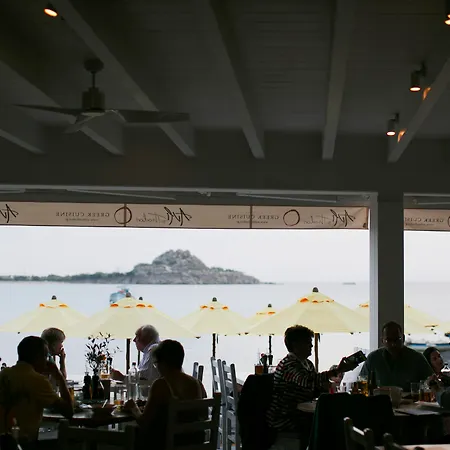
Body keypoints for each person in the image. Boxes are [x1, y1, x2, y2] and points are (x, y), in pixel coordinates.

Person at [266, 325, 358, 441]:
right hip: (285, 416)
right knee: (329, 425)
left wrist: (326, 386)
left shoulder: (307, 364)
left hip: (301, 413)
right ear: (296, 345)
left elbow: (314, 385)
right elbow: (307, 380)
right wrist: (337, 370)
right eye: (307, 342)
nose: (311, 345)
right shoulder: (288, 364)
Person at [124, 340, 206, 450]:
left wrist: (133, 407)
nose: (156, 367)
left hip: (170, 444)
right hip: (195, 442)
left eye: (156, 363)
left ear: (163, 363)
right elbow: (203, 415)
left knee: (133, 435)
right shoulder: (198, 384)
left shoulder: (161, 384)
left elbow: (144, 422)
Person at [0, 336, 73, 446]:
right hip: (22, 443)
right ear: (39, 357)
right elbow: (68, 411)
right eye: (46, 356)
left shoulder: (4, 374)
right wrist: (59, 377)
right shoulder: (37, 380)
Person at [359, 321, 433, 392]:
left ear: (403, 338)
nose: (393, 344)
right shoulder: (373, 358)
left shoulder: (417, 358)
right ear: (382, 341)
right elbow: (361, 383)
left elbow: (431, 382)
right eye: (388, 340)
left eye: (397, 340)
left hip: (410, 400)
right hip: (380, 400)